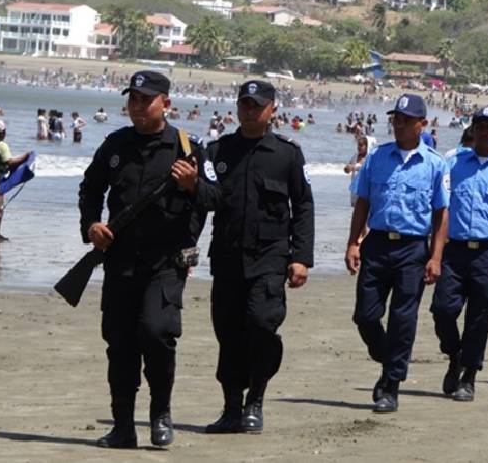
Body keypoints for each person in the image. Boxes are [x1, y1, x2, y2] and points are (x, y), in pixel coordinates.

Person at [78, 71, 217, 448]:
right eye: (133, 99)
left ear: (165, 104)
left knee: (157, 334)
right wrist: (91, 225)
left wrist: (192, 185)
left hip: (166, 264)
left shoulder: (188, 148)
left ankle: (160, 414)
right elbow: (90, 189)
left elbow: (217, 199)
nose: (137, 106)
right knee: (120, 344)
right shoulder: (114, 144)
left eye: (146, 100)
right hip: (121, 262)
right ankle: (123, 426)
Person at [203, 80, 314, 434]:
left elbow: (303, 205)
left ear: (272, 109)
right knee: (228, 333)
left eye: (257, 105)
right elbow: (200, 204)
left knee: (262, 325)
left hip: (270, 257)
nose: (250, 110)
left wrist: (301, 257)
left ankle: (256, 401)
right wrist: (185, 249)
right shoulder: (217, 152)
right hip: (227, 257)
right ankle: (231, 408)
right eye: (245, 104)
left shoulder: (287, 154)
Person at [344, 94, 449, 413]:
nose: (399, 124)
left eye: (406, 120)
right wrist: (353, 242)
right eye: (396, 119)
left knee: (403, 318)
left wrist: (436, 256)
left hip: (412, 248)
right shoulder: (377, 157)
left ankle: (391, 385)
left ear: (422, 124)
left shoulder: (435, 164)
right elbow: (362, 201)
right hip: (376, 244)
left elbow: (441, 213)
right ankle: (388, 357)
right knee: (365, 315)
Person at [430, 106, 488, 402]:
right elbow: (440, 208)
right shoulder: (453, 164)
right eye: (479, 126)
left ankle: (469, 375)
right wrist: (434, 251)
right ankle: (454, 354)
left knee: (479, 315)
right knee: (443, 309)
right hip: (454, 249)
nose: (484, 132)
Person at [345, 136, 375, 207]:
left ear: (367, 146)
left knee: (363, 207)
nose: (359, 147)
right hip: (355, 188)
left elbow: (364, 168)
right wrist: (347, 168)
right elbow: (347, 168)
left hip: (365, 189)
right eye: (358, 145)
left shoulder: (369, 158)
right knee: (355, 208)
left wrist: (353, 167)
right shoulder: (355, 157)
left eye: (361, 145)